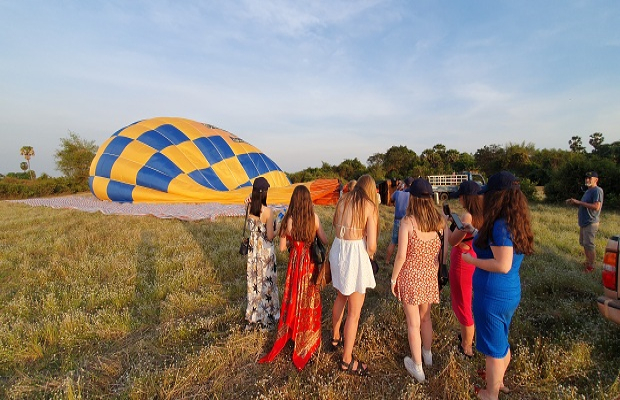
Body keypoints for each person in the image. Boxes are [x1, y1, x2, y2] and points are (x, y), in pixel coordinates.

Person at [461, 171, 534, 400]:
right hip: (508, 291)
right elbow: (500, 251)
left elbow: (502, 264)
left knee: (493, 350)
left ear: (497, 196)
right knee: (500, 340)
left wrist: (472, 260)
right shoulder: (513, 221)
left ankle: (490, 394)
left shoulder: (501, 226)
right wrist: (474, 233)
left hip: (492, 295)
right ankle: (498, 380)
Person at [259, 185, 328, 370]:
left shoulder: (289, 219)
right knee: (308, 297)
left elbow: (282, 247)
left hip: (295, 263)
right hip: (310, 263)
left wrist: (292, 241)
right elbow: (325, 240)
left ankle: (291, 329)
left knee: (293, 296)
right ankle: (305, 335)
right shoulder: (314, 218)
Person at [390, 178, 446, 383]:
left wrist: (393, 278)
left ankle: (417, 367)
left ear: (411, 197)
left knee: (413, 324)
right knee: (426, 318)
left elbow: (401, 256)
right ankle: (428, 355)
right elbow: (443, 254)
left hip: (410, 277)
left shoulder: (408, 222)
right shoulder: (440, 221)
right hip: (430, 275)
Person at [330, 174, 379, 376]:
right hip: (353, 255)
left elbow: (335, 226)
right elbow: (373, 245)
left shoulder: (343, 199)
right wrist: (370, 254)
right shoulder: (369, 206)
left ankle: (334, 337)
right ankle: (347, 360)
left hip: (338, 249)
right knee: (354, 312)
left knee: (341, 295)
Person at [447, 180, 483, 358]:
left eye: (460, 196)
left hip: (463, 261)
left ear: (465, 197)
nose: (459, 199)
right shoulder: (483, 214)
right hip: (473, 258)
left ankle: (466, 347)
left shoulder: (467, 216)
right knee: (466, 301)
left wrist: (448, 226)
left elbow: (453, 240)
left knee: (462, 304)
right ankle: (468, 338)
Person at [245, 177, 279, 331]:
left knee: (254, 282)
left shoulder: (248, 207)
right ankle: (268, 313)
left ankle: (254, 313)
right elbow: (270, 236)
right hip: (265, 251)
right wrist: (279, 226)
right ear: (265, 193)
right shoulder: (268, 212)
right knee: (267, 282)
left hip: (253, 253)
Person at [566, 171, 604, 272]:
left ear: (596, 180)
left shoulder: (597, 190)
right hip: (584, 222)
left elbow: (596, 206)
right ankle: (588, 261)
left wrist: (579, 202)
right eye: (586, 178)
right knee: (584, 243)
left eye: (589, 178)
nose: (587, 180)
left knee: (589, 244)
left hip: (591, 222)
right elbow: (585, 204)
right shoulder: (588, 190)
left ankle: (591, 266)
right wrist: (573, 202)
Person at [385, 177, 413, 265]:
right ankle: (403, 262)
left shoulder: (398, 193)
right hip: (407, 221)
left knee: (393, 241)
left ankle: (387, 261)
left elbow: (391, 199)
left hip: (397, 220)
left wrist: (399, 188)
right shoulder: (412, 195)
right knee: (406, 244)